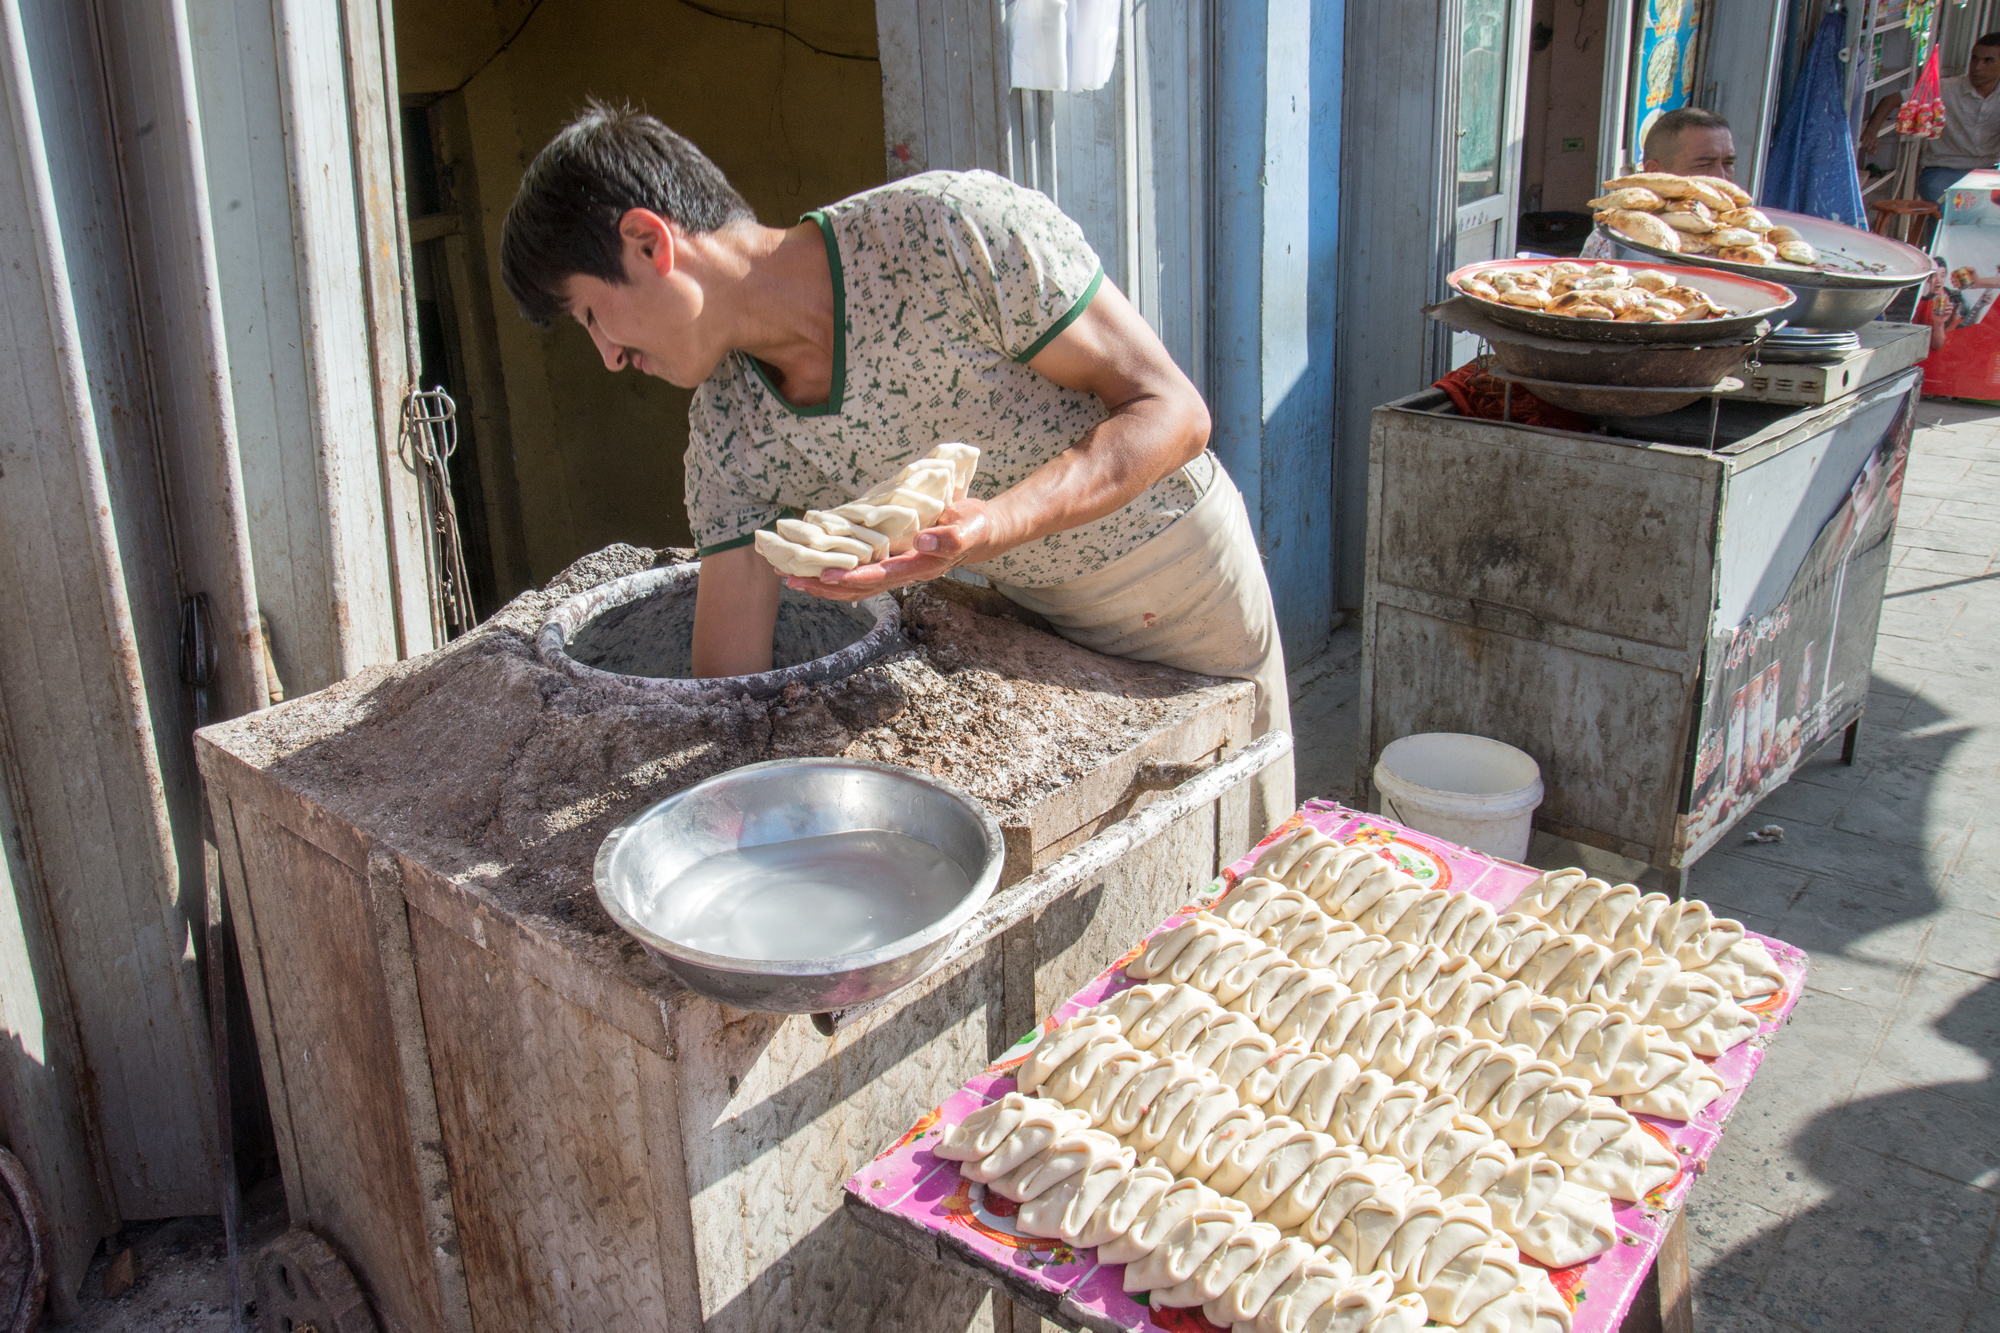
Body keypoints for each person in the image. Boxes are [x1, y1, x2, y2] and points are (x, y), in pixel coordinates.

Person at [499, 103, 1294, 826]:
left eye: (592, 315)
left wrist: (996, 523)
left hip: (1184, 587)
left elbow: (1172, 411)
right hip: (1036, 627)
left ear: (649, 242)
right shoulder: (731, 433)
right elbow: (727, 690)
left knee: (1263, 872)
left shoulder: (944, 236)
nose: (607, 356)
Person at [1861, 32, 2000, 205]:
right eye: (1975, 59)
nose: (1978, 67)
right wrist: (1871, 132)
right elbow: (1890, 100)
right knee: (1952, 208)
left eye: (1988, 61)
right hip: (1942, 171)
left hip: (1987, 173)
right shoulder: (1945, 88)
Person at [1578, 108, 1737, 259]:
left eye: (1728, 163)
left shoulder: (1741, 231)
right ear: (1655, 173)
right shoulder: (1624, 236)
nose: (1721, 177)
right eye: (1703, 165)